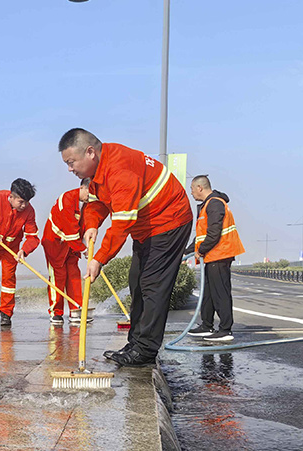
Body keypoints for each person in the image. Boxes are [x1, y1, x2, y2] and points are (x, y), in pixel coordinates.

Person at [59, 128, 193, 366]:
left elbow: (122, 224)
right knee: (136, 282)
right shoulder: (99, 169)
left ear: (89, 152)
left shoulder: (120, 169)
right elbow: (96, 203)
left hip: (168, 221)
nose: (70, 169)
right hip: (145, 227)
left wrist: (99, 259)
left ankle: (145, 351)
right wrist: (92, 225)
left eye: (71, 162)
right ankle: (135, 343)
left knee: (152, 285)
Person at [184, 175, 245, 342]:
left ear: (200, 188)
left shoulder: (215, 204)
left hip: (220, 254)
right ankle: (206, 325)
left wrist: (201, 250)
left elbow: (214, 233)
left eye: (192, 189)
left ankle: (225, 330)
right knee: (208, 294)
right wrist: (185, 252)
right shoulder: (207, 205)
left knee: (220, 293)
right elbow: (201, 236)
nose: (191, 193)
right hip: (212, 256)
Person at [0, 178, 40, 327]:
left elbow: (32, 236)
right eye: (21, 202)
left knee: (9, 281)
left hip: (11, 250)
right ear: (11, 196)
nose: (24, 206)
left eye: (27, 202)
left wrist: (24, 251)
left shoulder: (29, 211)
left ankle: (6, 314)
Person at [41, 178, 89, 324]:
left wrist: (85, 242)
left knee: (74, 276)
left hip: (71, 246)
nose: (91, 196)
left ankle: (76, 311)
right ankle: (56, 313)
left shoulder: (86, 203)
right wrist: (84, 249)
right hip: (55, 244)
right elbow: (70, 231)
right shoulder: (66, 199)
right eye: (90, 192)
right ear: (82, 187)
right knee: (58, 277)